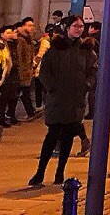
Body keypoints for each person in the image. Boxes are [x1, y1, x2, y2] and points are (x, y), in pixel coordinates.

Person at [28, 21, 90, 186]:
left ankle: (60, 171)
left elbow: (92, 71)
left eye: (81, 27)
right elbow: (44, 71)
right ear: (68, 28)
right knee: (52, 135)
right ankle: (41, 171)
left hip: (75, 99)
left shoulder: (85, 50)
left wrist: (86, 86)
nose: (79, 29)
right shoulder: (55, 49)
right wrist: (52, 88)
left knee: (69, 135)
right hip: (57, 99)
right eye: (75, 26)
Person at [12, 18, 39, 121]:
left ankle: (14, 113)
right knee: (21, 93)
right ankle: (28, 111)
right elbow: (19, 56)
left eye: (32, 25)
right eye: (29, 25)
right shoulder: (21, 39)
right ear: (23, 26)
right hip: (22, 71)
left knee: (22, 93)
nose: (31, 28)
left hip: (27, 70)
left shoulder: (28, 39)